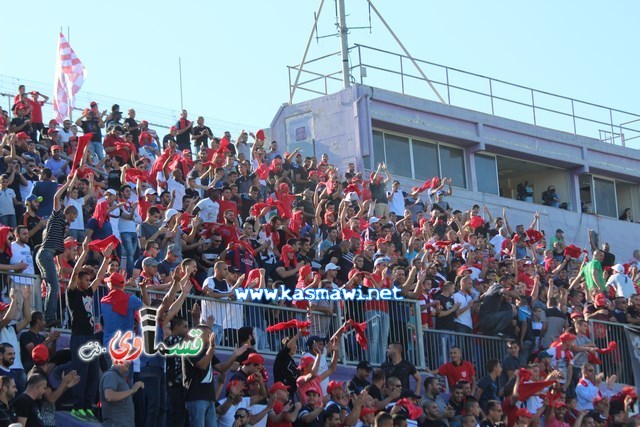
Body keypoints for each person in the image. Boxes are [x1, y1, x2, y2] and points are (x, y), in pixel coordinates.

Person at [35, 174, 77, 326]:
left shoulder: (61, 230)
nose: (74, 218)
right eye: (74, 215)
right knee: (53, 285)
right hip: (45, 254)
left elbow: (58, 253)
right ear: (69, 213)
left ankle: (49, 316)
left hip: (47, 254)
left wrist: (59, 267)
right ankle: (49, 317)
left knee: (53, 284)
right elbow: (56, 197)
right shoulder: (57, 216)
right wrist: (67, 183)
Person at [100, 359, 144, 427]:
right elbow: (109, 396)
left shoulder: (119, 377)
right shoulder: (111, 375)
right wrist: (132, 390)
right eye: (126, 359)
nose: (129, 362)